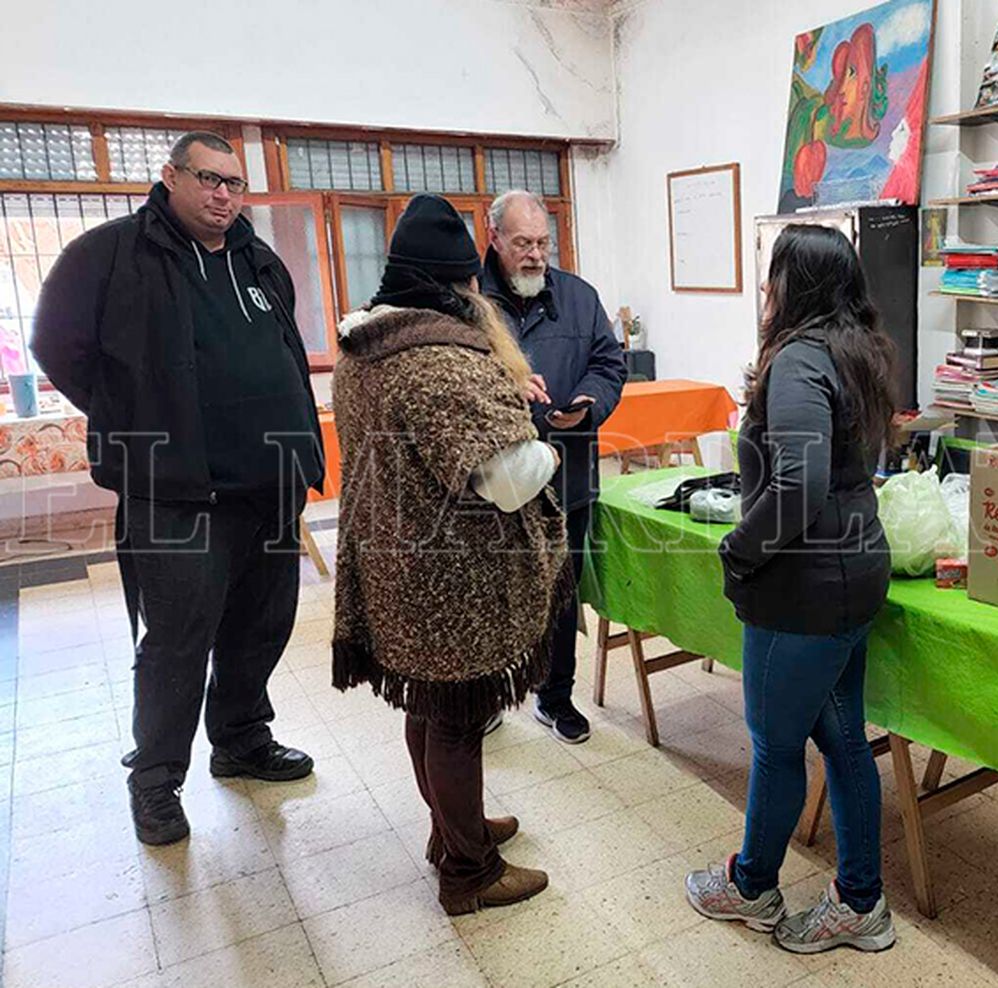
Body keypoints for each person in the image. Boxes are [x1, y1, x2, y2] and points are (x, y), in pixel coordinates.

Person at [31, 131, 324, 847]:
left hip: (268, 487)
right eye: (209, 179)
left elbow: (281, 349)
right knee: (176, 643)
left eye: (234, 182)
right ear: (170, 177)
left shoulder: (257, 259)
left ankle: (242, 739)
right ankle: (156, 783)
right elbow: (55, 345)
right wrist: (132, 411)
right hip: (176, 495)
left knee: (261, 626)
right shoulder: (111, 256)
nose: (223, 194)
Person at [332, 194, 567, 915]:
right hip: (451, 575)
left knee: (430, 709)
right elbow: (503, 479)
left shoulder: (364, 347)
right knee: (458, 719)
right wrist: (546, 450)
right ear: (458, 283)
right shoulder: (438, 361)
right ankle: (470, 871)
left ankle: (450, 828)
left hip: (397, 561)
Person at [685, 224, 898, 954]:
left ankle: (752, 887)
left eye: (772, 275)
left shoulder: (800, 361)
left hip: (806, 586)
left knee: (776, 745)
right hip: (851, 571)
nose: (765, 290)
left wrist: (739, 549)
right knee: (842, 741)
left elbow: (800, 482)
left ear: (791, 286)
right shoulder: (858, 352)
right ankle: (860, 901)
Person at [480, 189, 626, 744]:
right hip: (494, 481)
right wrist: (505, 386)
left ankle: (555, 695)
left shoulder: (579, 297)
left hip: (568, 474)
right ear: (493, 239)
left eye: (543, 242)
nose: (535, 254)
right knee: (493, 592)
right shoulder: (469, 301)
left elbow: (609, 364)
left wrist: (588, 402)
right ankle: (487, 694)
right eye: (522, 243)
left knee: (561, 591)